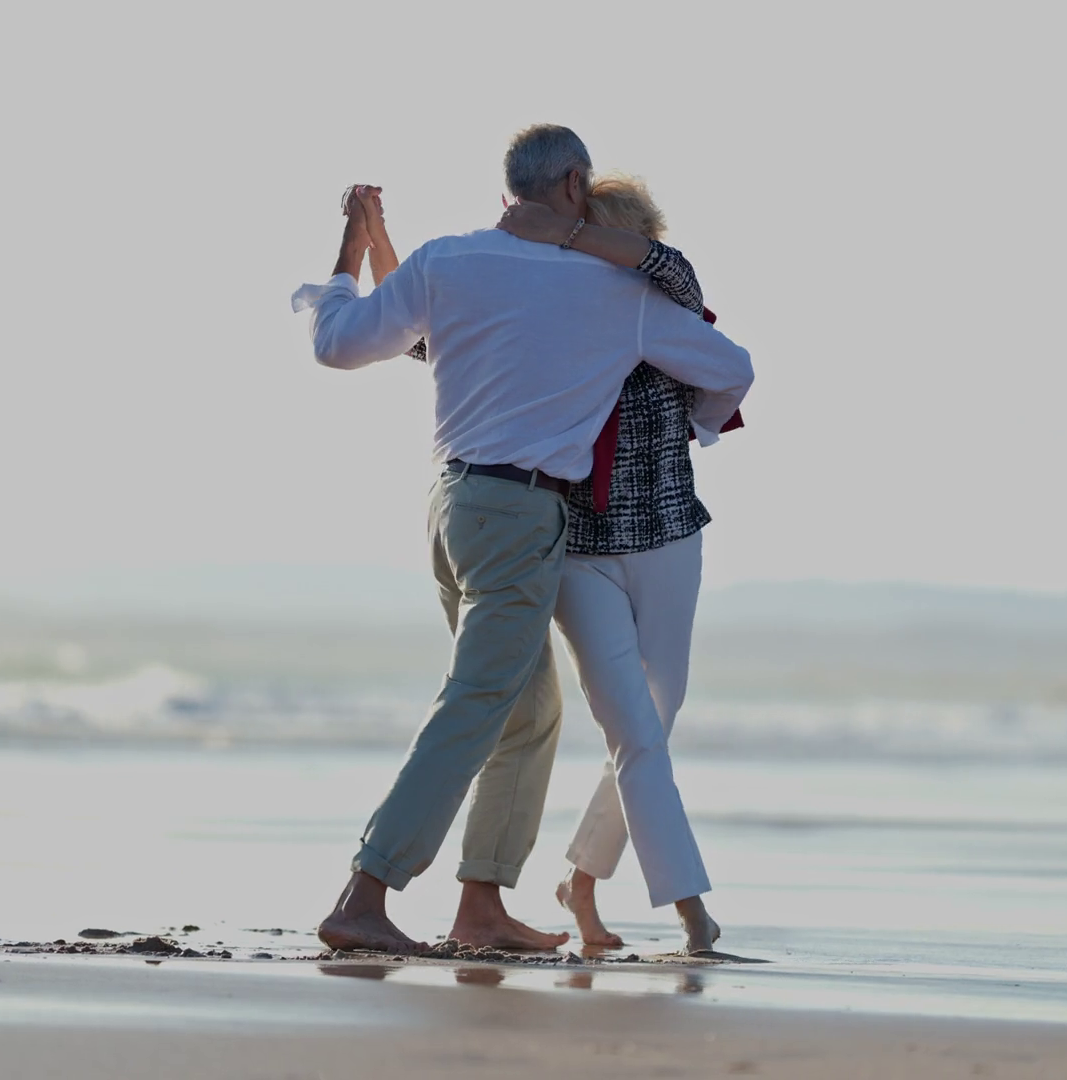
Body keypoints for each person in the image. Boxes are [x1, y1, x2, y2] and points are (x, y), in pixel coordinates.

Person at [289, 125, 753, 954]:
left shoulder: (448, 260)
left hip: (452, 507)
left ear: (508, 190)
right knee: (478, 702)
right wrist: (701, 426)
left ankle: (481, 905)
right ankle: (365, 894)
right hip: (520, 513)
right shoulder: (613, 289)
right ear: (575, 185)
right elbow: (726, 363)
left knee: (529, 710)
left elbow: (339, 344)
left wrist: (354, 251)